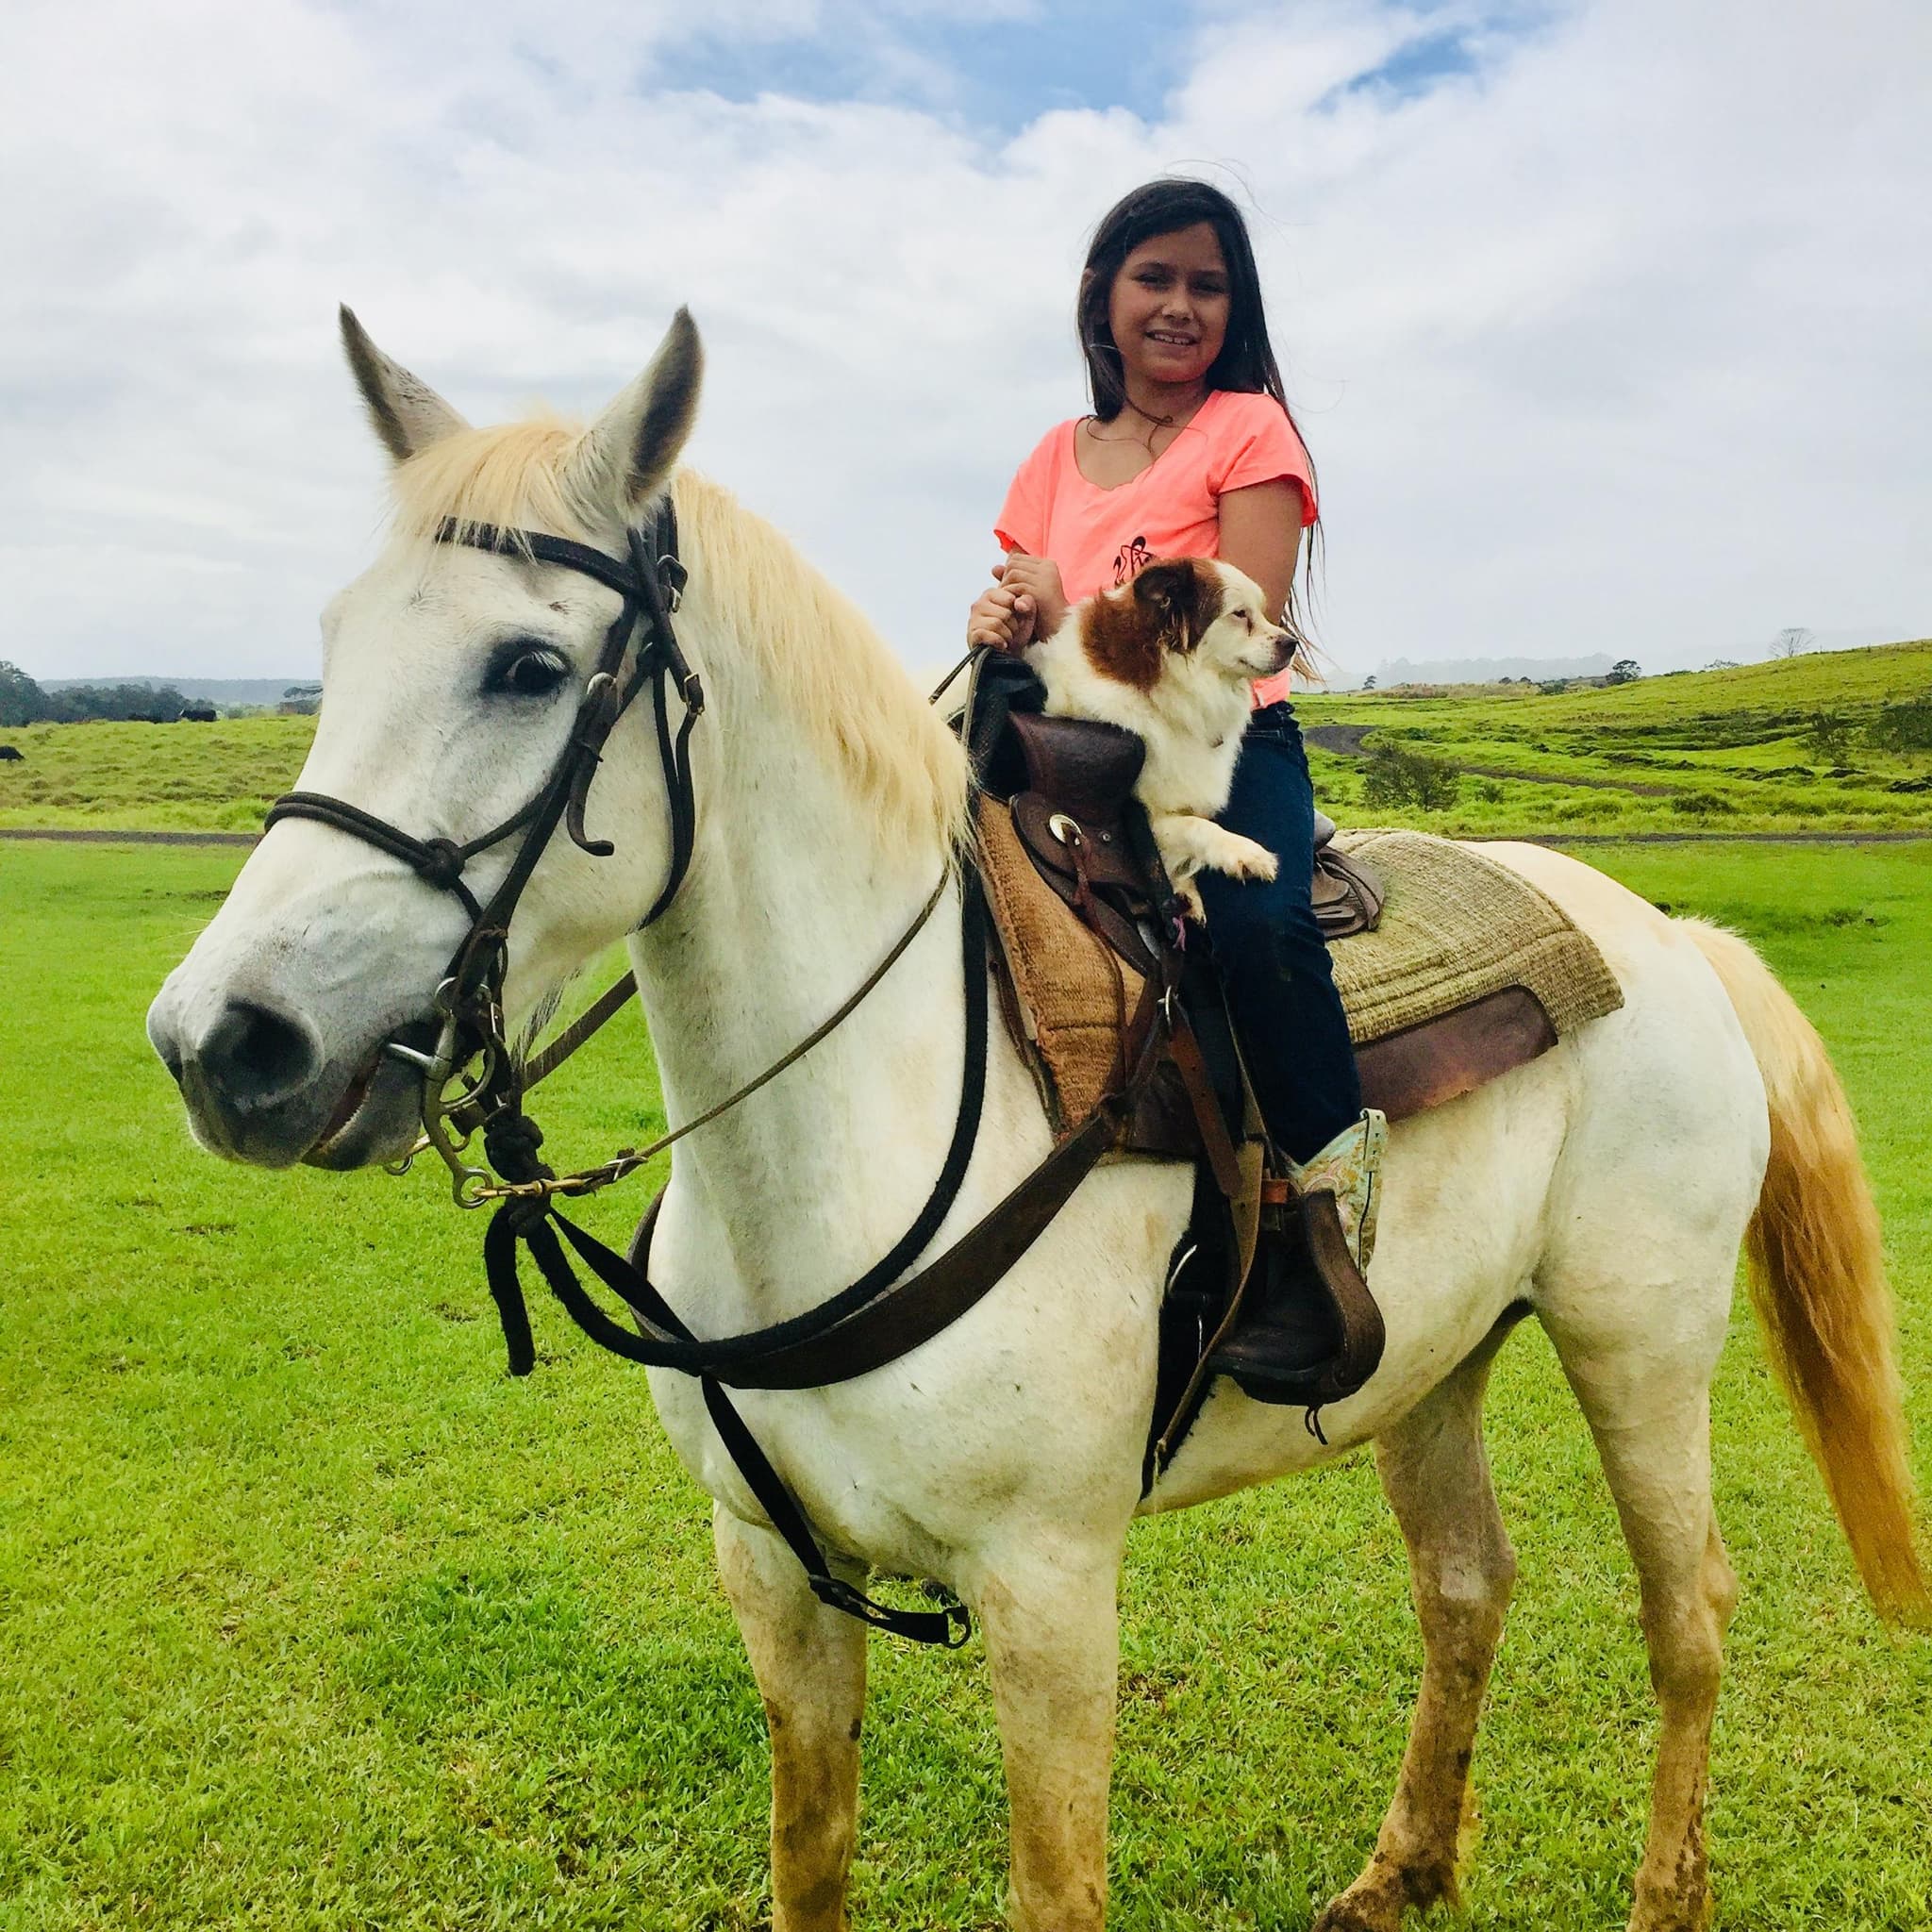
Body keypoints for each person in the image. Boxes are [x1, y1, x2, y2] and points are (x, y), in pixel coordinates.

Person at [965, 177, 1384, 1401]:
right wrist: (1005, 616)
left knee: (1257, 925)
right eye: (1155, 278)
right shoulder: (1052, 457)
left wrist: (1072, 610)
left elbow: (1233, 630)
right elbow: (1034, 606)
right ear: (1104, 295)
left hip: (1216, 748)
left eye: (1209, 284)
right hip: (1074, 741)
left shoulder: (1250, 431)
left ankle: (1320, 1206)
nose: (1180, 305)